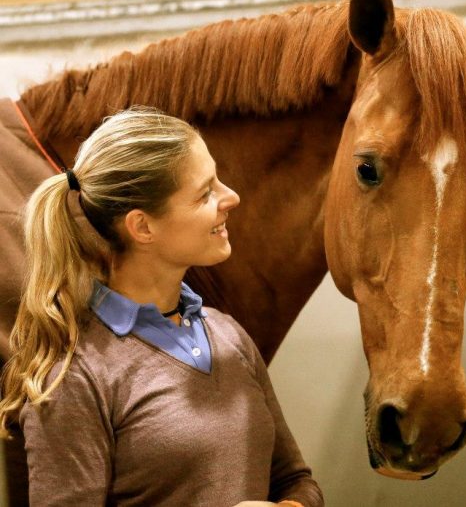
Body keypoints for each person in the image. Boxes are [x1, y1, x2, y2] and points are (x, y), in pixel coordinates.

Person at [0, 107, 323, 507]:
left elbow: (296, 481)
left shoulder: (228, 335)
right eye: (205, 192)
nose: (231, 197)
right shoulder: (75, 378)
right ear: (143, 227)